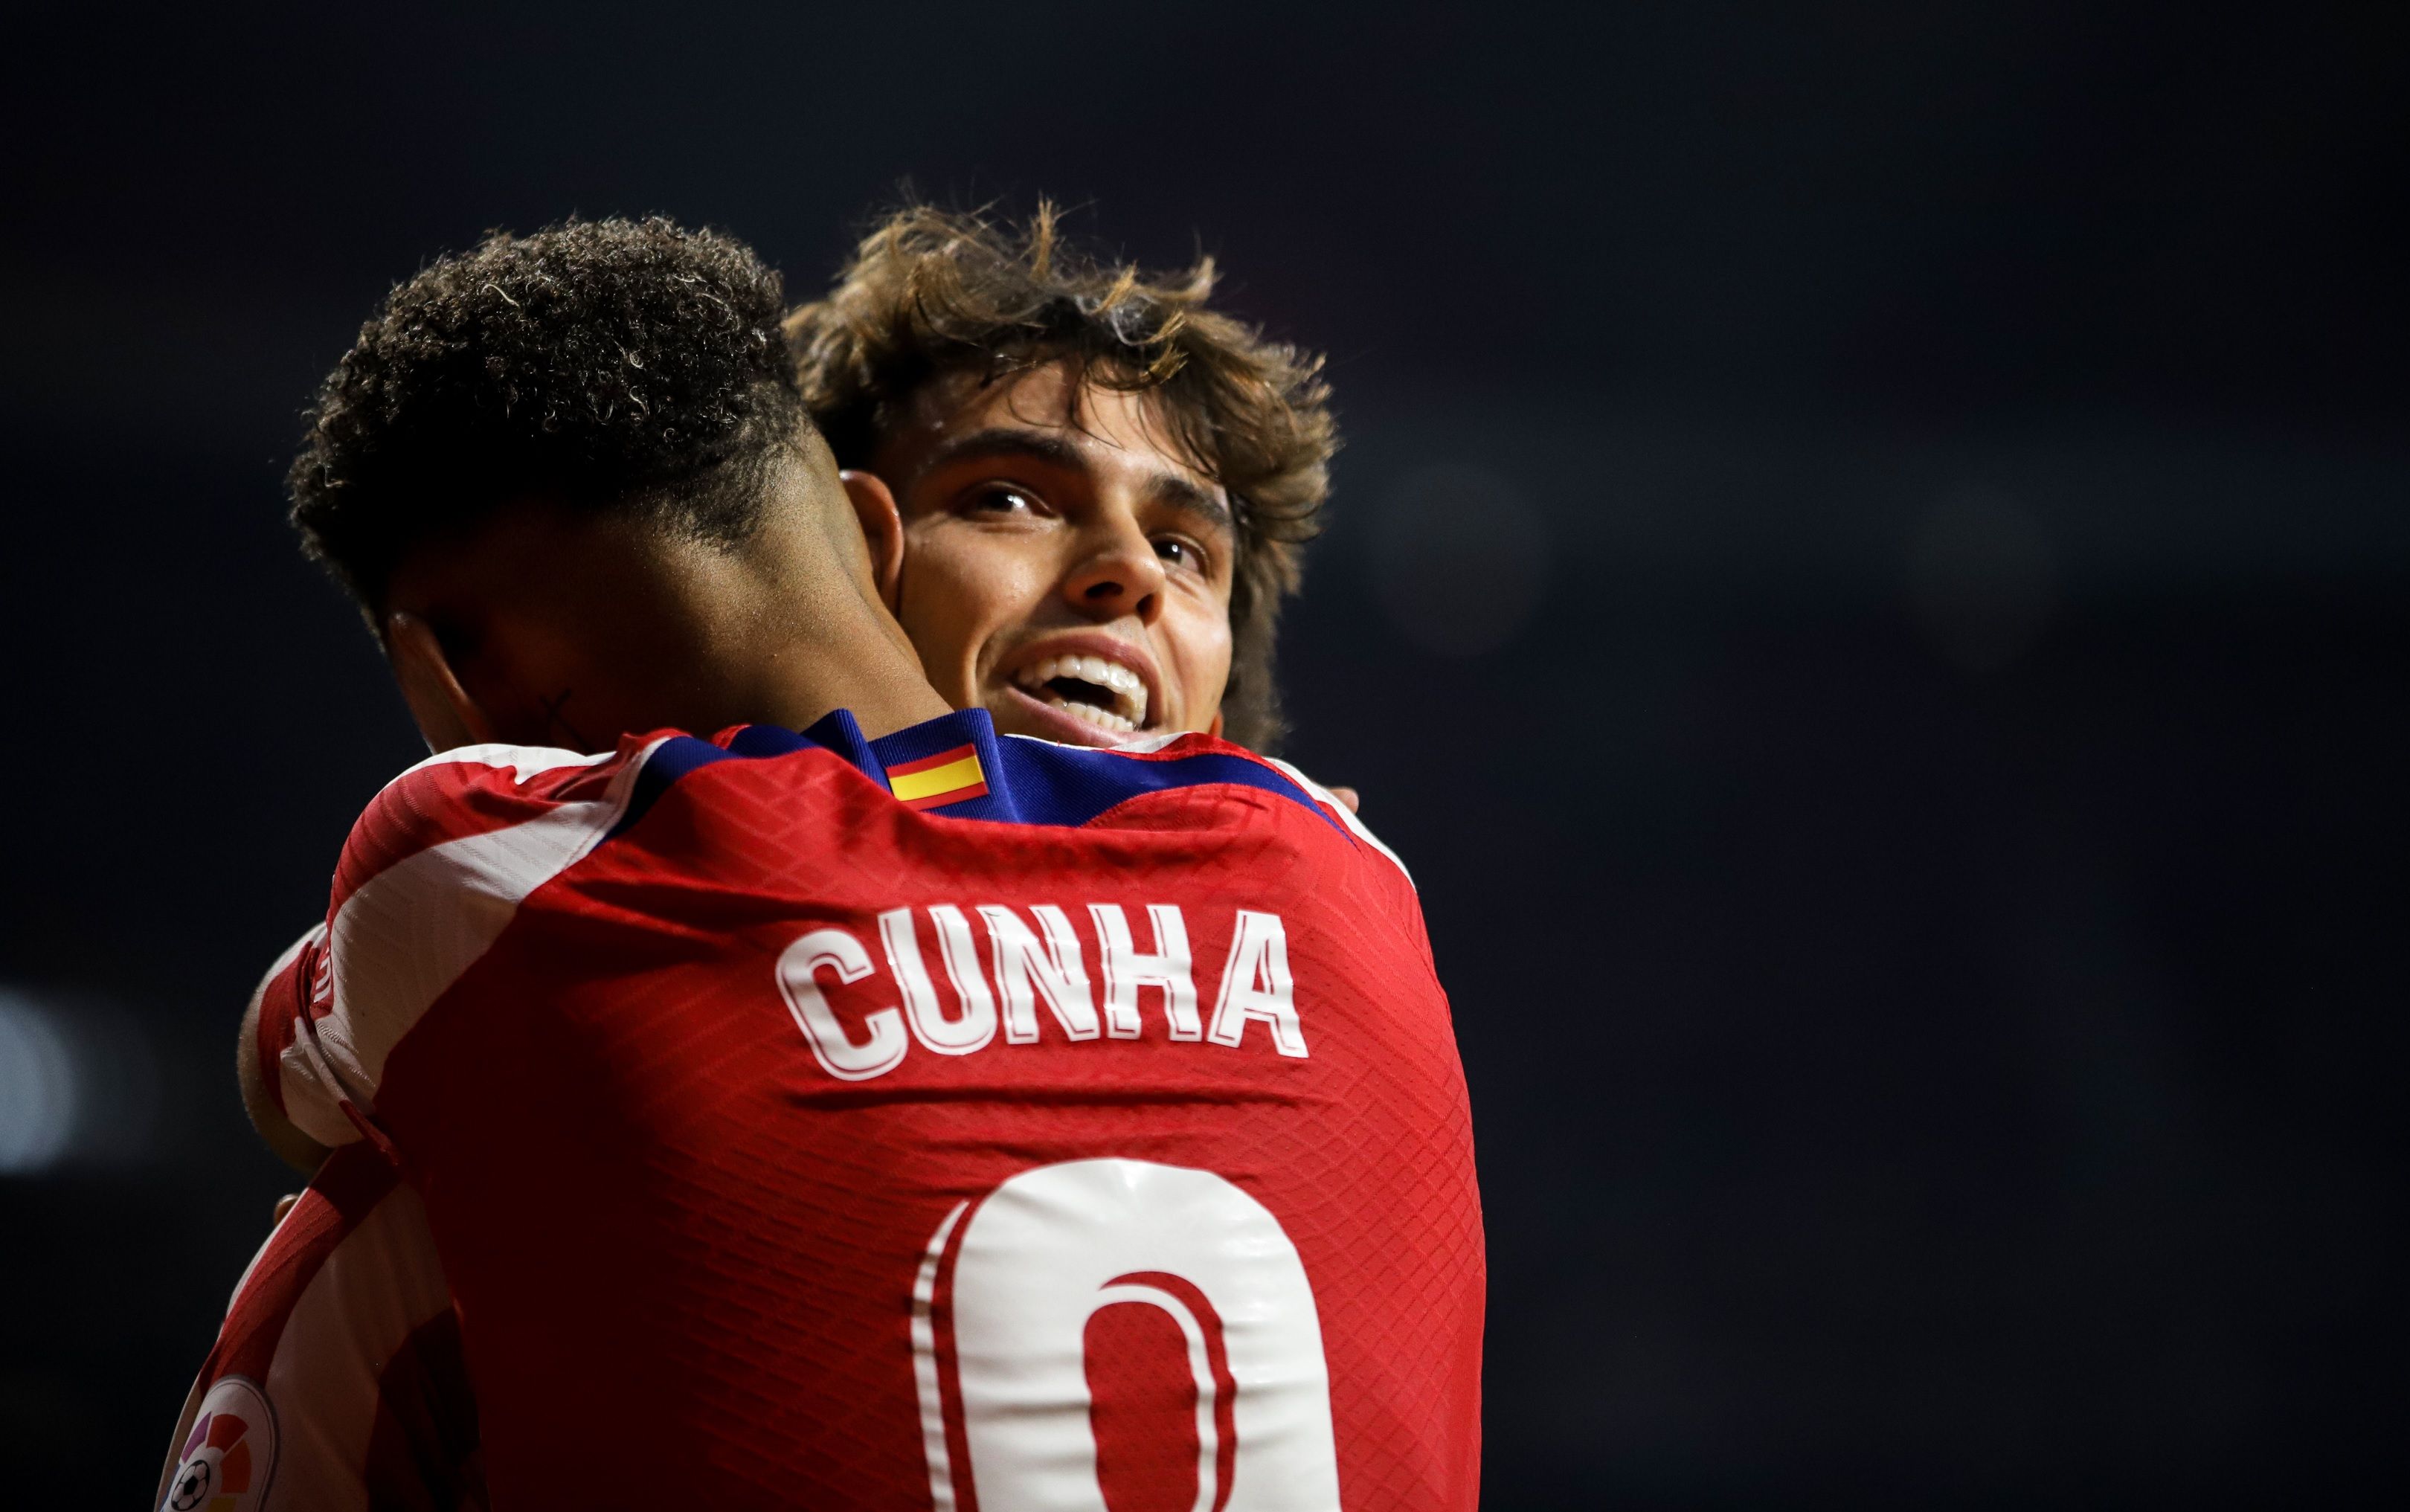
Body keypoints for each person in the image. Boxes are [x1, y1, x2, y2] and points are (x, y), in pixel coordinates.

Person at [161, 216, 1475, 1509]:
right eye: (1009, 496)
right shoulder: (1354, 885)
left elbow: (302, 1063)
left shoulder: (503, 947)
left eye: (1185, 550)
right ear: (858, 547)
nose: (1128, 571)